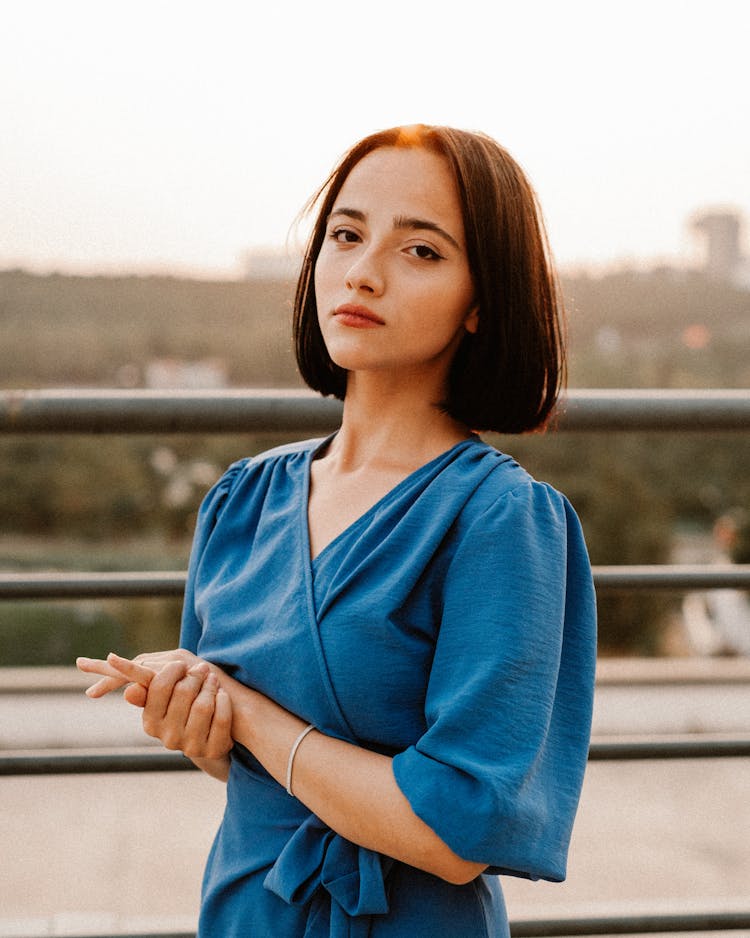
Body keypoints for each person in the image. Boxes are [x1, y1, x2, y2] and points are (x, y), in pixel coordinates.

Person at [77, 123, 597, 938]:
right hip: (247, 907)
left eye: (419, 251)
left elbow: (456, 830)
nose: (362, 272)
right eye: (346, 235)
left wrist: (247, 714)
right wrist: (193, 716)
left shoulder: (502, 520)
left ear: (481, 304)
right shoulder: (243, 498)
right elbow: (226, 753)